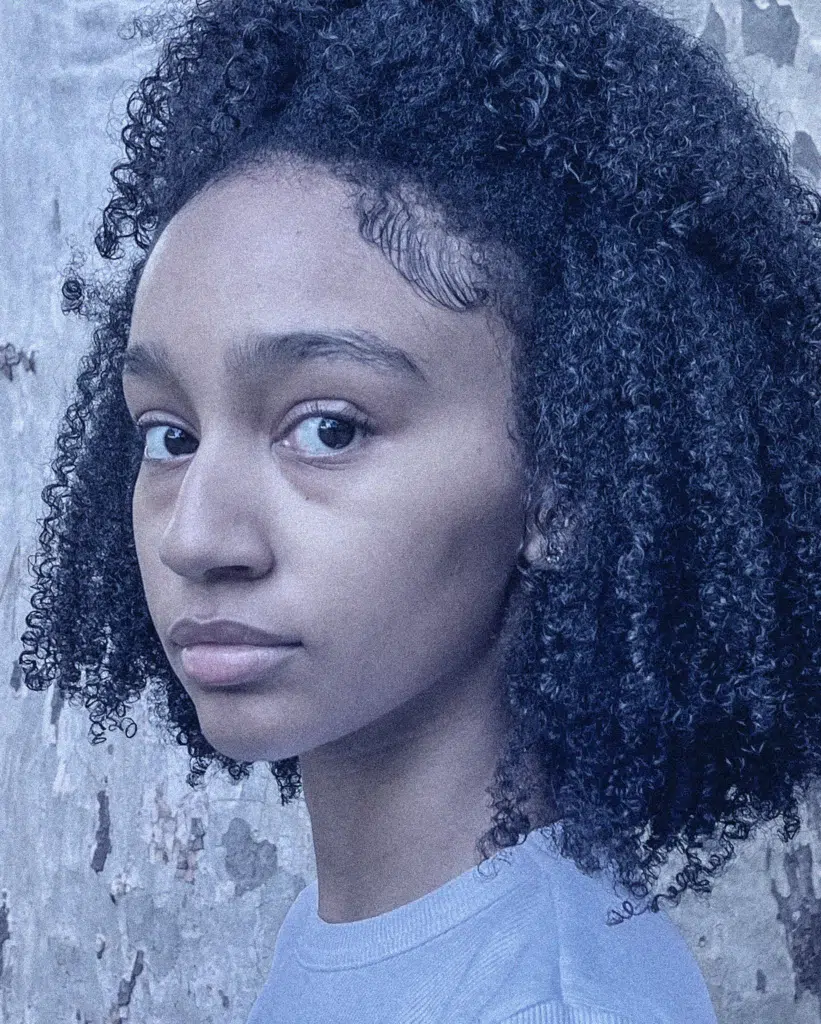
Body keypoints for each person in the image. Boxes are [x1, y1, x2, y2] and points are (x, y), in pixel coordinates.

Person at [19, 0, 821, 1020]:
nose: (196, 536)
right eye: (168, 436)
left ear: (561, 481)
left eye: (329, 428)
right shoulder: (375, 936)